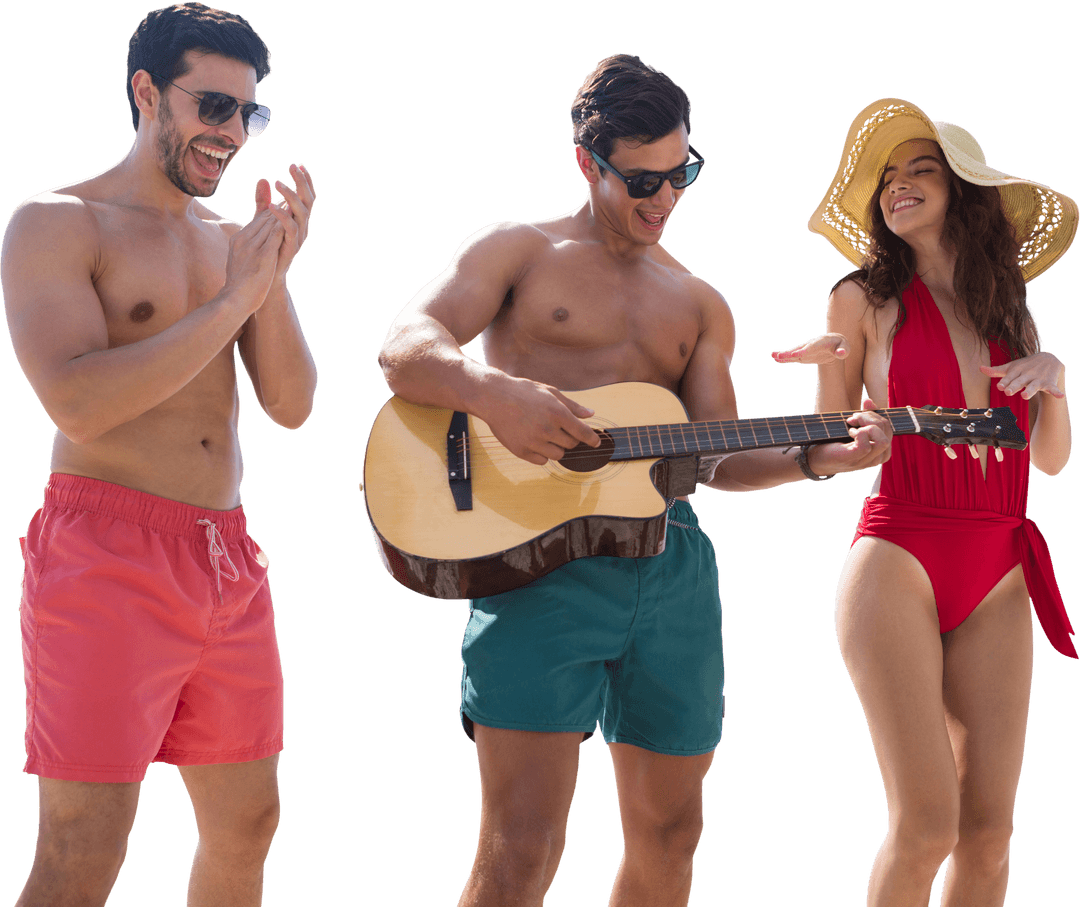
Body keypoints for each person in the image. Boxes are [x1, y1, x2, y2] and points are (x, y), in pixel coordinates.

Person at [378, 54, 891, 907]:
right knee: (521, 850)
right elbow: (406, 343)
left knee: (671, 835)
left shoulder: (699, 303)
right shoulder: (517, 249)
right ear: (588, 161)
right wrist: (490, 390)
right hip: (535, 567)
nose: (664, 197)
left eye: (682, 173)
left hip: (672, 569)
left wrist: (814, 457)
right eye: (642, 178)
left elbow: (715, 454)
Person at [0, 3, 317, 904]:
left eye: (249, 116)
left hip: (225, 554)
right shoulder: (58, 222)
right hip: (105, 551)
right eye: (212, 107)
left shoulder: (231, 244)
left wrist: (272, 277)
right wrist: (227, 306)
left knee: (249, 822)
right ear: (147, 93)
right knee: (84, 845)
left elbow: (291, 406)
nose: (231, 134)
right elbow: (79, 402)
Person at [773, 98, 1075, 906]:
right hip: (898, 553)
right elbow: (830, 442)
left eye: (922, 171)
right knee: (926, 826)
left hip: (1000, 565)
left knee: (989, 838)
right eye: (888, 179)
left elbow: (1047, 460)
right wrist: (832, 386)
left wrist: (1057, 382)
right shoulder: (858, 298)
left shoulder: (1009, 304)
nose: (899, 187)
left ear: (963, 190)